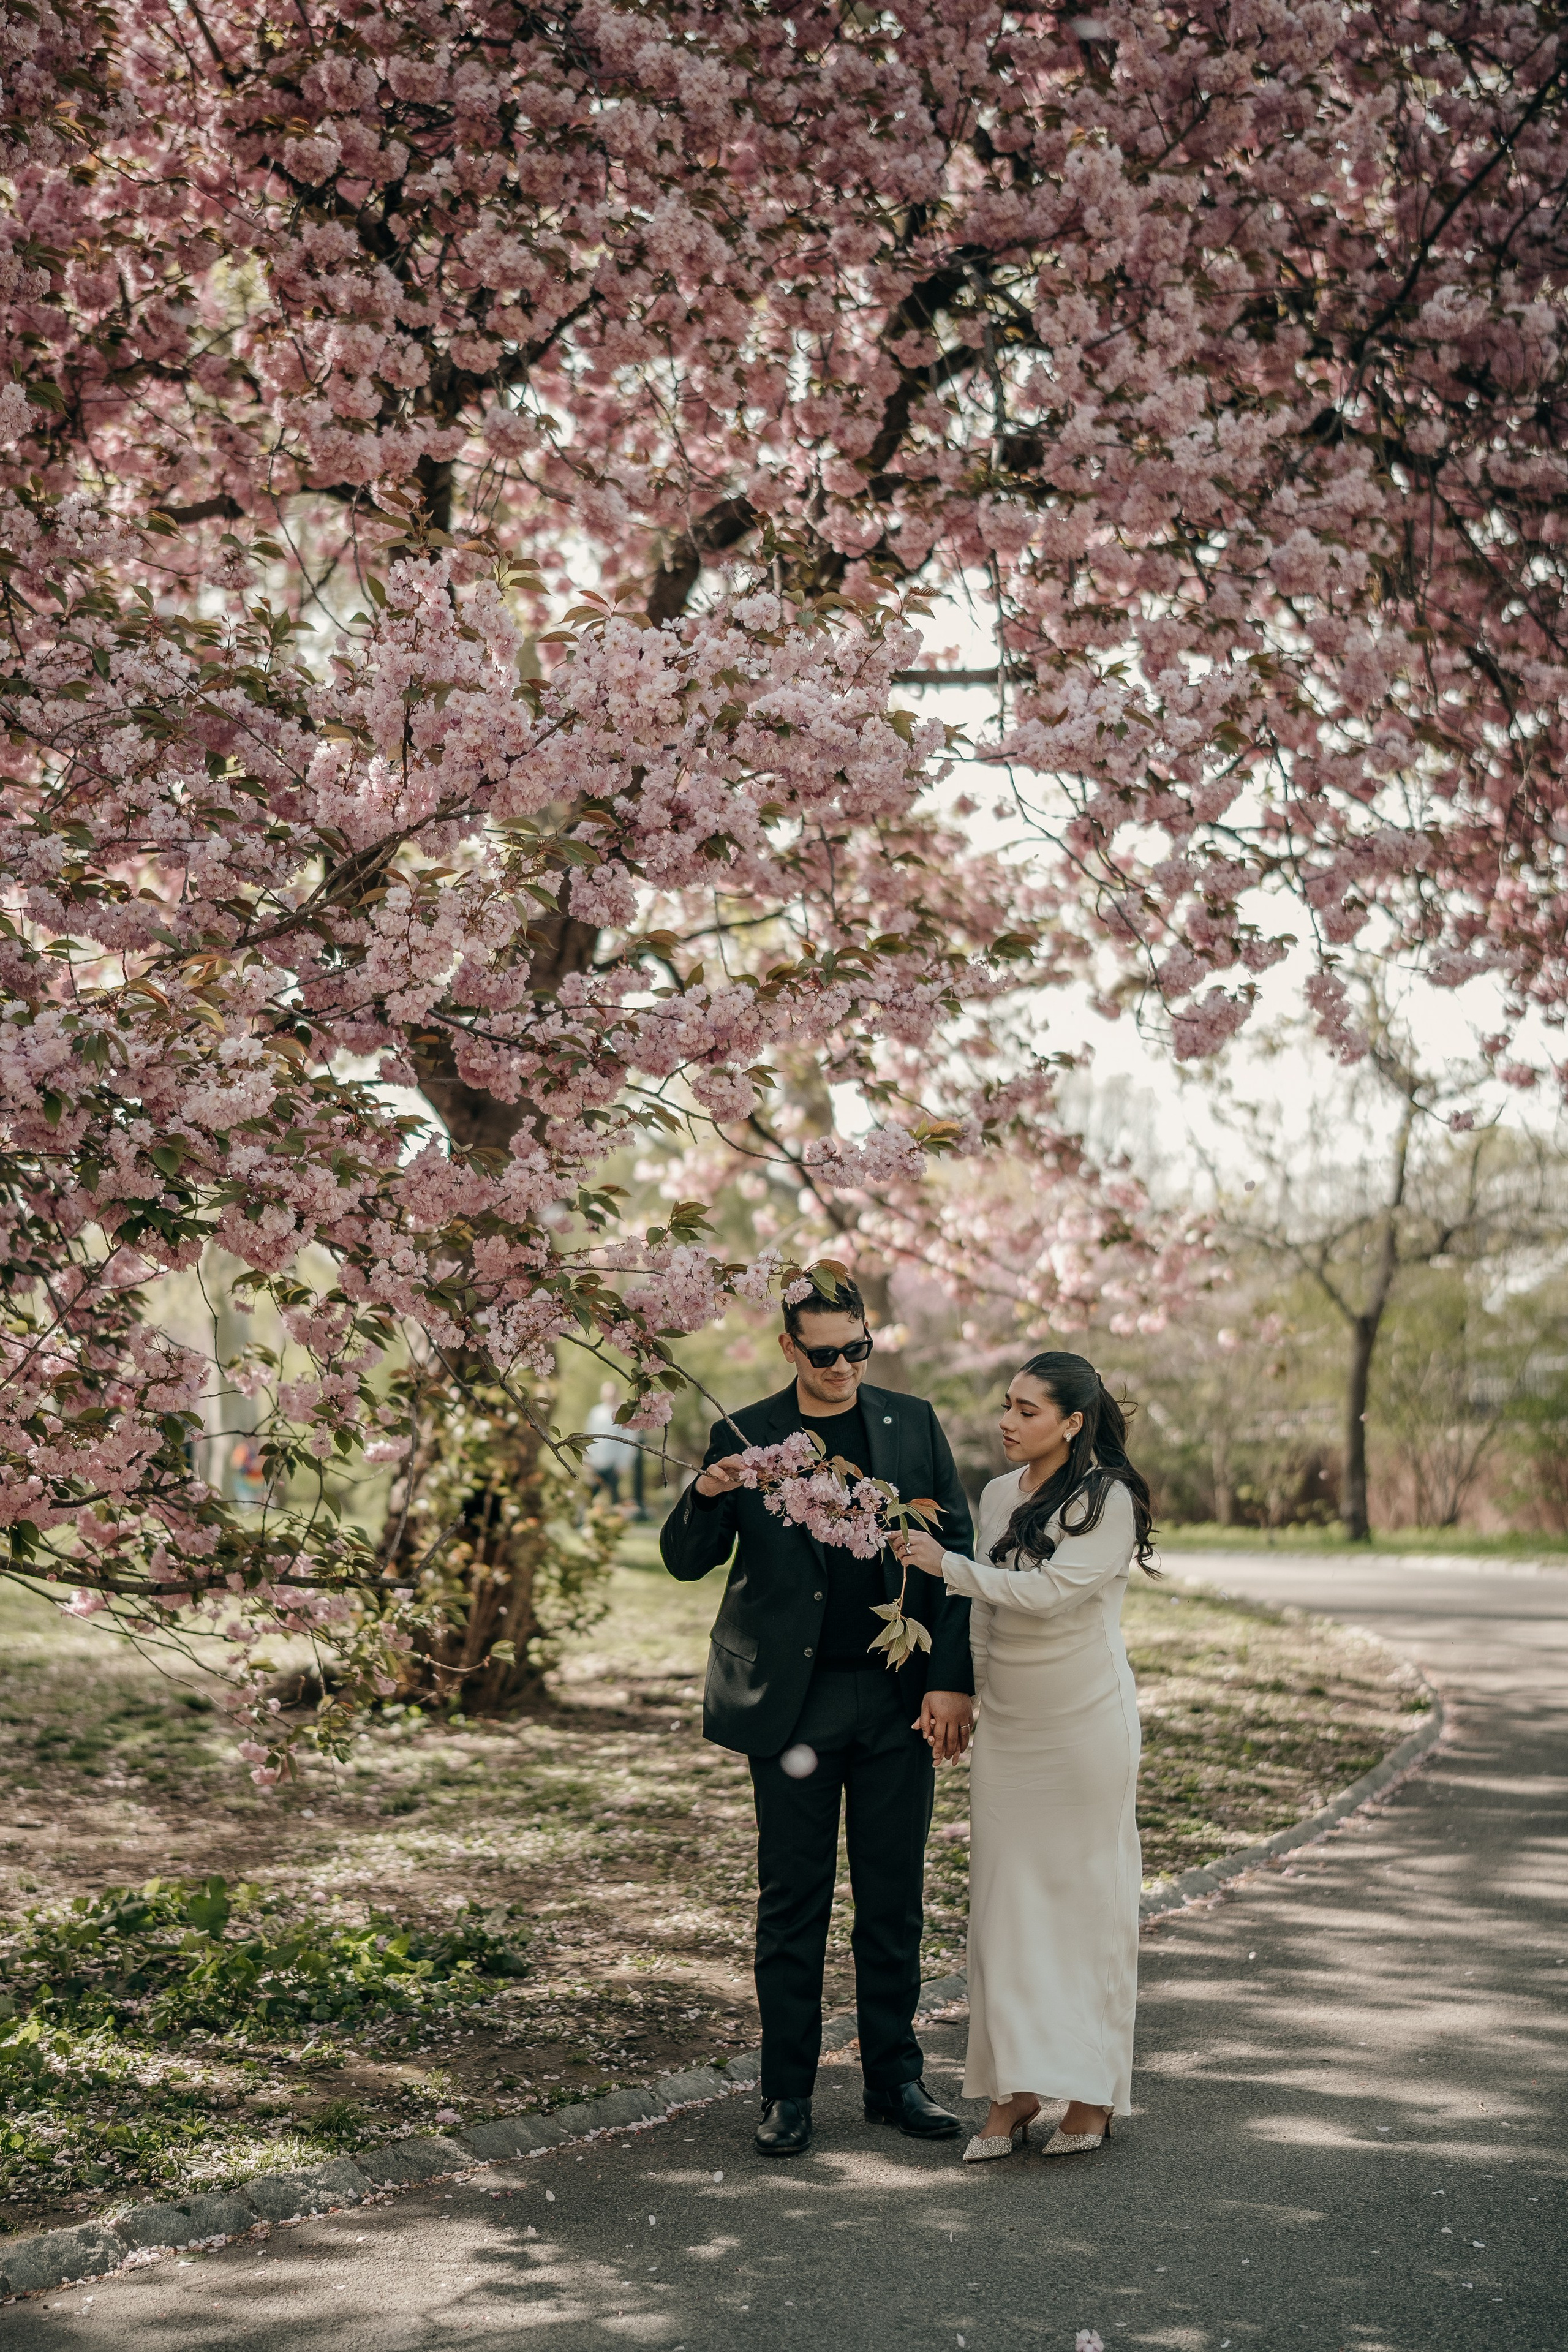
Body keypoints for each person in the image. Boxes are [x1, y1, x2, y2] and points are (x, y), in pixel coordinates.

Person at [660, 1272, 976, 2160]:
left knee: (893, 1898)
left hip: (895, 1694)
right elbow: (685, 1561)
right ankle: (787, 2094)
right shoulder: (745, 1432)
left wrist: (950, 1681)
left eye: (857, 1349)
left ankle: (895, 2081)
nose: (843, 1367)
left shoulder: (912, 1423)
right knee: (792, 1901)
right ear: (790, 1348)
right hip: (790, 1705)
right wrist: (709, 1491)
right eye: (825, 1353)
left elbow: (955, 1555)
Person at [897, 1351, 1154, 2162]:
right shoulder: (1000, 1493)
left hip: (1084, 1726)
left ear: (1072, 1423)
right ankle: (1014, 2088)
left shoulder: (1109, 1500)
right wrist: (968, 1693)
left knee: (1087, 1905)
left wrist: (947, 1566)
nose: (1007, 1421)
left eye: (1027, 1410)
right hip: (1011, 1726)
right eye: (1007, 1404)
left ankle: (1091, 2092)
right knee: (1005, 1910)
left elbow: (1049, 1595)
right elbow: (984, 1614)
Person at [582, 1378, 632, 1507]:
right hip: (596, 1463)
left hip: (613, 1463)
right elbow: (589, 1435)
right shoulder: (596, 1412)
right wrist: (587, 1459)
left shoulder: (623, 1412)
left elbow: (628, 1439)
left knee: (614, 1496)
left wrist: (623, 1463)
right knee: (590, 1494)